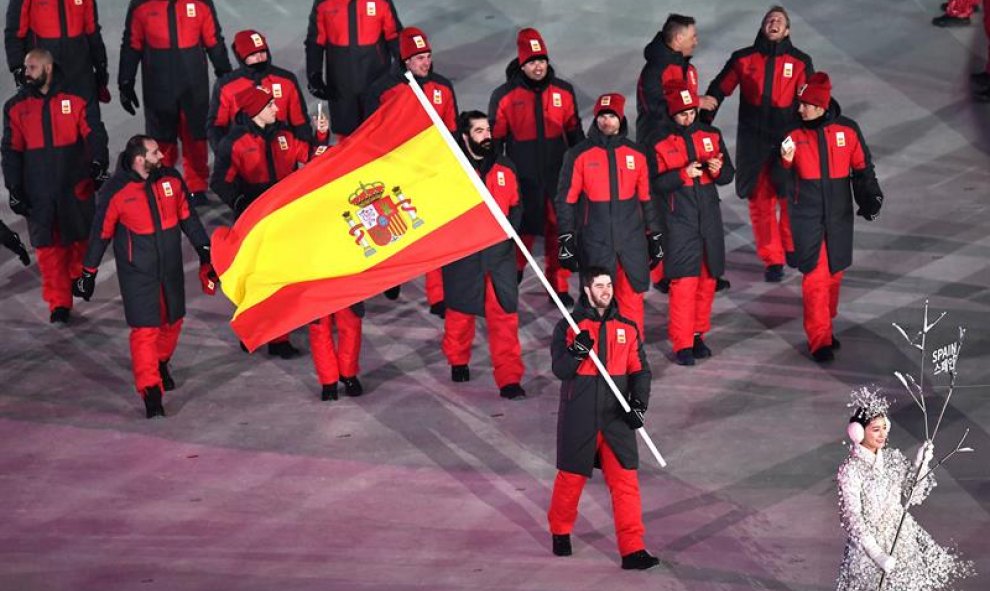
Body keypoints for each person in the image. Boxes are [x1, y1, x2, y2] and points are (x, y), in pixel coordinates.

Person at [73, 135, 216, 419]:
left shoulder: (172, 180)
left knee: (173, 321)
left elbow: (188, 217)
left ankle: (161, 362)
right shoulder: (116, 191)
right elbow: (100, 233)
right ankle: (150, 390)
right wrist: (88, 272)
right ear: (139, 159)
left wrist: (204, 251)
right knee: (145, 330)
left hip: (170, 267)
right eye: (154, 153)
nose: (161, 156)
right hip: (138, 273)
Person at [210, 87, 343, 371]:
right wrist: (240, 200)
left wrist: (322, 136)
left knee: (285, 274)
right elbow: (220, 181)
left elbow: (309, 155)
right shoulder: (234, 142)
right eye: (270, 105)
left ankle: (280, 336)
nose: (276, 109)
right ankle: (254, 327)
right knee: (258, 277)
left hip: (284, 215)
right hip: (255, 220)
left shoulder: (284, 135)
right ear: (255, 111)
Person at [548, 267, 658, 570]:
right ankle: (560, 530)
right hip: (579, 414)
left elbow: (640, 371)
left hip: (616, 416)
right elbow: (560, 369)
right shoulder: (568, 326)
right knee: (571, 478)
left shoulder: (628, 327)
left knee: (625, 481)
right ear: (586, 290)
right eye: (599, 286)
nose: (606, 291)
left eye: (609, 285)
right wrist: (577, 352)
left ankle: (633, 549)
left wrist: (639, 405)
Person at [772, 72, 882, 362]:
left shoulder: (848, 131)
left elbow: (862, 168)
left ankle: (826, 323)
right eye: (799, 104)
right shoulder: (792, 135)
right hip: (806, 218)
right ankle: (819, 339)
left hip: (839, 217)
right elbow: (778, 181)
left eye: (805, 105)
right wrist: (783, 162)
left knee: (835, 274)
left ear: (821, 105)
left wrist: (871, 198)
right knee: (816, 279)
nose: (799, 109)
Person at [704, 6, 813, 282]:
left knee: (790, 198)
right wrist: (703, 122)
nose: (773, 23)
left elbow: (810, 101)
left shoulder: (800, 62)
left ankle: (790, 246)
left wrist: (813, 135)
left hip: (787, 140)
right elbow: (719, 89)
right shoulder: (743, 59)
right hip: (753, 144)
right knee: (760, 203)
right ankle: (772, 260)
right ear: (763, 27)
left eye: (779, 21)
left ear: (787, 30)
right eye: (769, 20)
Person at [1, 48, 108, 323]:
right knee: (47, 249)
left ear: (48, 69)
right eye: (25, 68)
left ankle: (76, 276)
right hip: (38, 191)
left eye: (32, 68)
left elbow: (94, 132)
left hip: (75, 186)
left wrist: (98, 163)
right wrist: (14, 188)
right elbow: (10, 151)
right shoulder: (15, 107)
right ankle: (58, 303)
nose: (26, 74)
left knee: (79, 240)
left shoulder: (77, 98)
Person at [835, 388, 973, 590]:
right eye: (876, 429)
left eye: (884, 427)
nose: (883, 434)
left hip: (902, 539)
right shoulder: (850, 471)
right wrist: (876, 554)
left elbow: (913, 495)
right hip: (868, 548)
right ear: (858, 432)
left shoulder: (892, 459)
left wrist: (921, 464)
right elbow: (852, 517)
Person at [489, 27, 583, 307]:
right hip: (523, 178)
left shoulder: (564, 92)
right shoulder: (504, 96)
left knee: (559, 228)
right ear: (521, 63)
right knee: (521, 231)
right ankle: (511, 281)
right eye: (531, 61)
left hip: (557, 175)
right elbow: (495, 142)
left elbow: (575, 132)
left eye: (541, 59)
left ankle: (559, 285)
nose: (538, 66)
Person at [364, 26, 457, 313]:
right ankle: (393, 276)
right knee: (393, 229)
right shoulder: (382, 90)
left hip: (431, 171)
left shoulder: (442, 87)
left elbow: (452, 129)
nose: (425, 62)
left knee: (434, 233)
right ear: (405, 61)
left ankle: (437, 295)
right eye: (419, 58)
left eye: (428, 56)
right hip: (396, 172)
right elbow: (371, 134)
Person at [556, 93, 662, 337]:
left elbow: (647, 199)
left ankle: (633, 360)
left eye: (612, 116)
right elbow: (566, 200)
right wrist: (566, 238)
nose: (606, 122)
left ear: (621, 118)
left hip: (631, 244)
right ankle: (602, 360)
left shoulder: (637, 154)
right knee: (598, 304)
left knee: (632, 302)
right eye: (602, 116)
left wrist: (654, 235)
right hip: (596, 243)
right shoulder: (578, 155)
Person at [441, 110, 525, 400]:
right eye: (479, 131)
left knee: (505, 318)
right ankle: (458, 359)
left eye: (487, 130)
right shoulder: (452, 170)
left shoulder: (505, 168)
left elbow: (516, 207)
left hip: (499, 258)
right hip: (464, 256)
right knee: (460, 315)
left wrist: (507, 235)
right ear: (465, 137)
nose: (486, 136)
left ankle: (509, 378)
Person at [649, 80, 734, 366]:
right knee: (684, 284)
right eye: (682, 113)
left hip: (709, 218)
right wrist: (682, 174)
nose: (688, 117)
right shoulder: (659, 143)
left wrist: (718, 170)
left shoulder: (712, 135)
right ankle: (682, 342)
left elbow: (727, 176)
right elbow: (655, 184)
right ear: (672, 114)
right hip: (679, 222)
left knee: (707, 282)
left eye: (691, 111)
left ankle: (698, 335)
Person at [119, 0, 232, 205]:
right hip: (158, 84)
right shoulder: (141, 5)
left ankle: (196, 186)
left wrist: (224, 72)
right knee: (161, 138)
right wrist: (125, 80)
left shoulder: (200, 3)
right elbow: (131, 43)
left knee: (196, 135)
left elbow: (213, 39)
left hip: (194, 84)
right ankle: (163, 181)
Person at [305, 0, 401, 140]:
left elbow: (394, 36)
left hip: (376, 83)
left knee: (379, 132)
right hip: (341, 86)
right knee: (346, 137)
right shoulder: (324, 3)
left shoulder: (381, 2)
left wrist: (408, 65)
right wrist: (314, 75)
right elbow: (315, 42)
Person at [207, 29, 312, 153]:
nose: (260, 58)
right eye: (252, 54)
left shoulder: (286, 80)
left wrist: (308, 157)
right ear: (241, 57)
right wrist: (224, 154)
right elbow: (216, 126)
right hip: (245, 161)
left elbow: (300, 122)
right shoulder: (226, 86)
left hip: (282, 156)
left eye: (262, 51)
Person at [4, 0, 110, 103]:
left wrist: (101, 68)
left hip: (80, 76)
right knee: (44, 120)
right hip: (43, 78)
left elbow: (92, 32)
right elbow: (14, 33)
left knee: (89, 119)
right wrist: (18, 70)